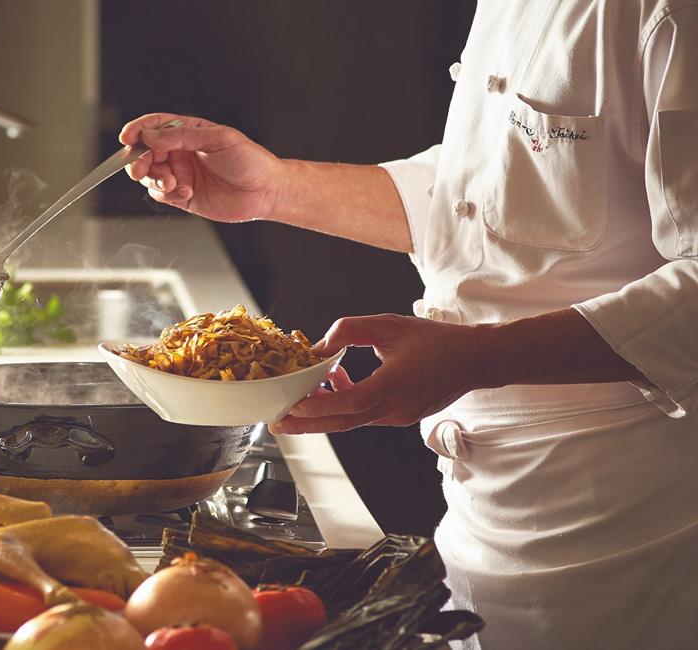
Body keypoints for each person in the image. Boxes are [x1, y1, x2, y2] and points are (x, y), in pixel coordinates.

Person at [119, 2, 698, 648]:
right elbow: (491, 193)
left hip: (620, 549)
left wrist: (477, 358)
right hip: (472, 531)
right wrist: (274, 189)